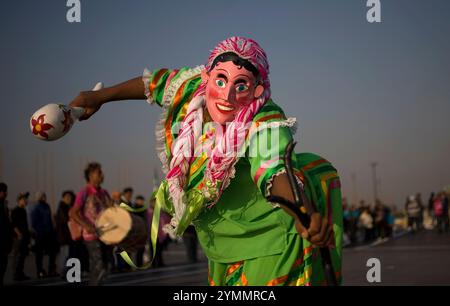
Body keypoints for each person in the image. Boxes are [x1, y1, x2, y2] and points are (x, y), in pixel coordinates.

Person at [69, 37, 342, 285]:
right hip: (220, 250)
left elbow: (274, 171)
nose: (227, 95)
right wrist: (98, 97)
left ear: (258, 90)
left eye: (241, 85)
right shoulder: (189, 88)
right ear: (206, 77)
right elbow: (151, 84)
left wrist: (302, 214)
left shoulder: (264, 120)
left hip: (270, 247)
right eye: (221, 81)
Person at [69, 162, 113, 285]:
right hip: (91, 236)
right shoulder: (84, 192)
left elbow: (111, 212)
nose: (102, 175)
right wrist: (86, 225)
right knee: (98, 266)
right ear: (90, 175)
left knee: (108, 265)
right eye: (99, 172)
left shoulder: (104, 193)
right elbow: (73, 213)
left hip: (105, 235)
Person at [29, 191, 59, 278]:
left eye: (44, 196)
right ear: (39, 197)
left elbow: (50, 219)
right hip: (41, 234)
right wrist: (39, 231)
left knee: (52, 252)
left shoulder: (47, 206)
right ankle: (40, 271)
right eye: (42, 196)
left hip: (49, 233)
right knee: (39, 254)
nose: (44, 197)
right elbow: (33, 222)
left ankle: (51, 270)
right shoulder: (36, 207)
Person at [11, 192, 31, 281]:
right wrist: (19, 234)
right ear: (19, 201)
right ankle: (16, 274)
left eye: (26, 199)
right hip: (18, 237)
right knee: (18, 256)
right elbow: (14, 224)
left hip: (24, 237)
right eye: (24, 199)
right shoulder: (15, 210)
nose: (26, 201)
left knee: (22, 256)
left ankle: (20, 273)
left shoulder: (23, 210)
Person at [55, 190, 76, 275]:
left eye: (70, 197)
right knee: (65, 253)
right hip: (63, 235)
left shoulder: (67, 207)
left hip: (68, 235)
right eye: (68, 197)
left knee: (67, 253)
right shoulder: (62, 208)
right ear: (64, 198)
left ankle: (67, 271)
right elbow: (66, 219)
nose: (69, 199)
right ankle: (63, 271)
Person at [0, 182, 13, 286]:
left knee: (4, 263)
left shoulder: (4, 206)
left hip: (5, 240)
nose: (6, 193)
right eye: (4, 191)